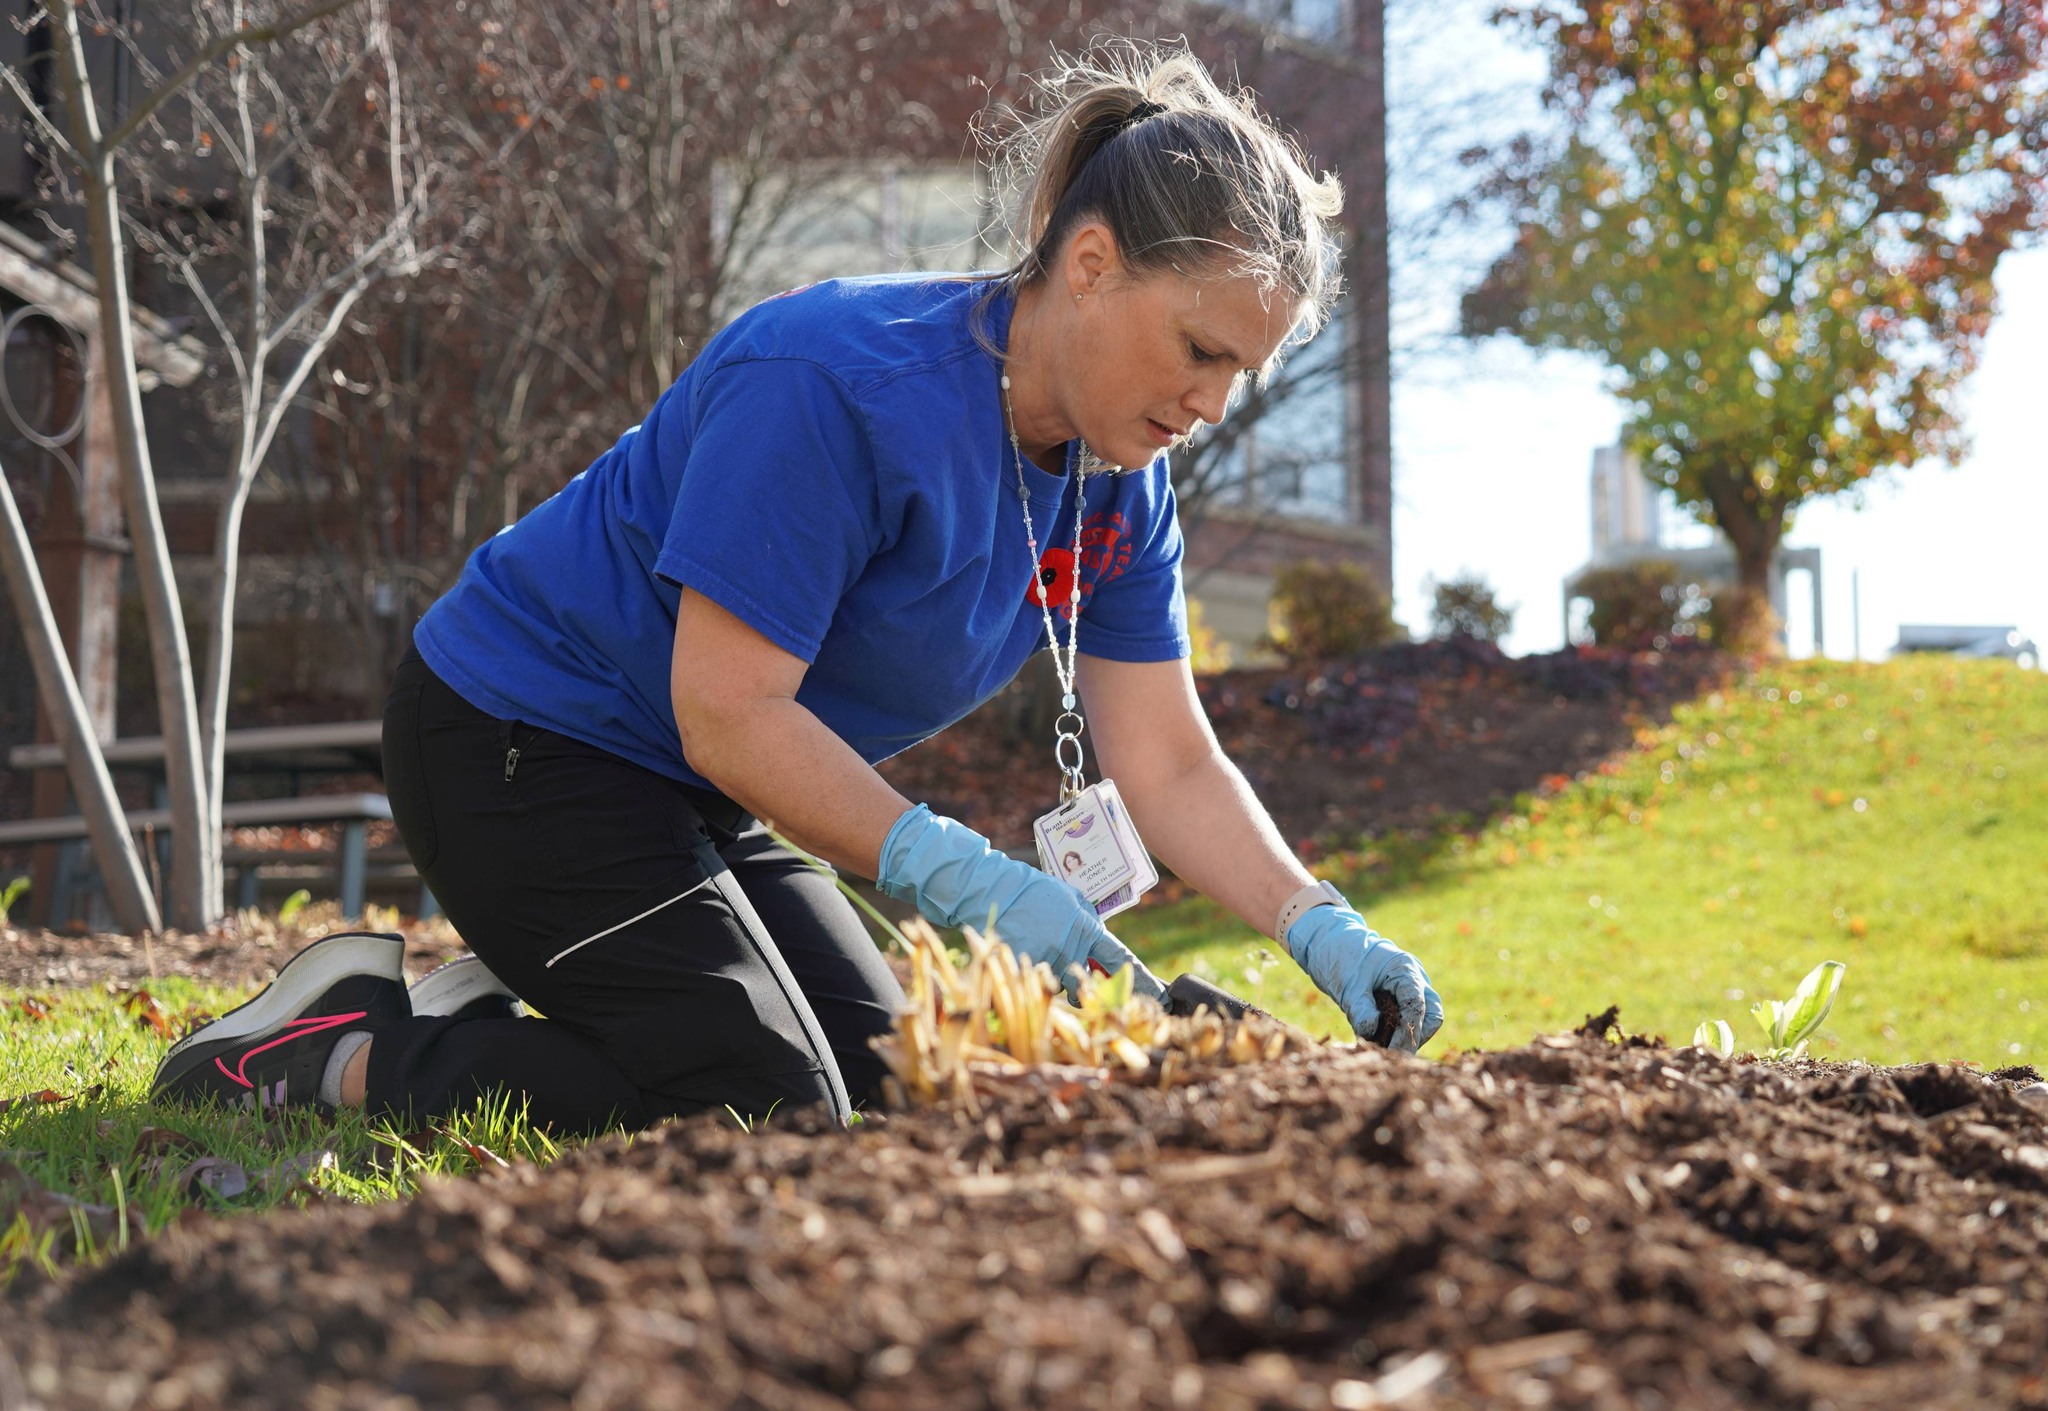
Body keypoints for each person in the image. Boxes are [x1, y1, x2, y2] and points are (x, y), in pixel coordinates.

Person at [150, 44, 1444, 1133]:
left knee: (888, 1098)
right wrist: (964, 878)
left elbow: (1164, 763)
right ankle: (327, 1053)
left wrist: (1316, 922)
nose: (1214, 405)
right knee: (765, 1108)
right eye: (1202, 350)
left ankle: (493, 1001)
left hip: (699, 792)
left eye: (1244, 377)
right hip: (519, 741)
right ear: (1092, 263)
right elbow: (726, 709)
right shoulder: (834, 381)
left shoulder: (1119, 483)